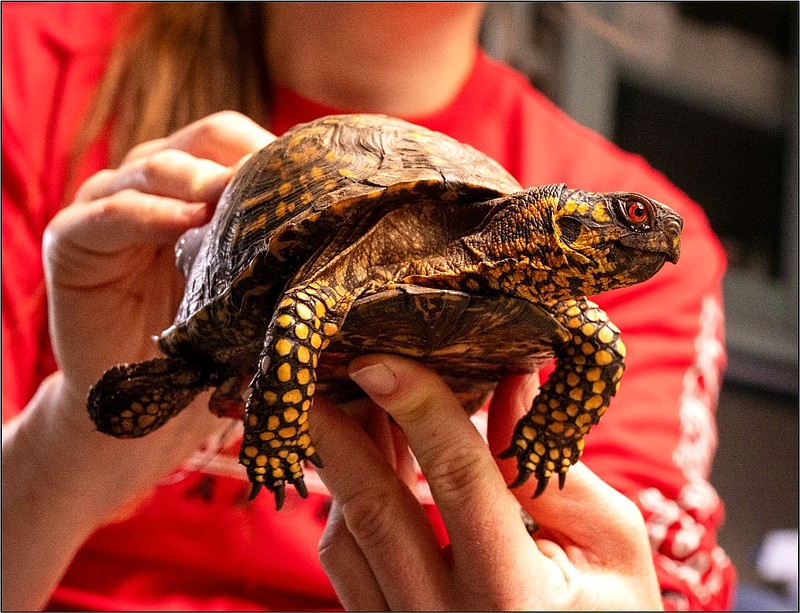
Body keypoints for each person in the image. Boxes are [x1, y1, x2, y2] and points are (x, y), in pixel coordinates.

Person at [2, 3, 735, 610]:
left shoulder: (666, 270)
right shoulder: (38, 67)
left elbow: (634, 567)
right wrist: (68, 443)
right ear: (562, 223)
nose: (647, 236)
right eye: (629, 222)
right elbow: (301, 308)